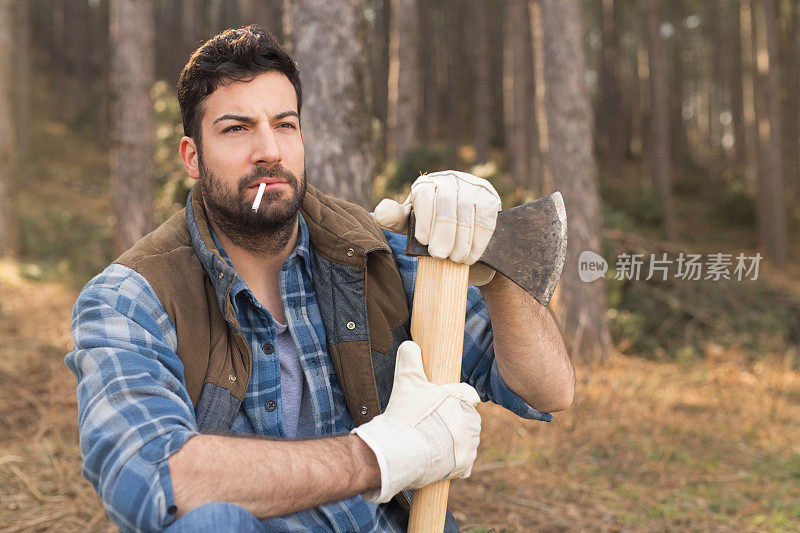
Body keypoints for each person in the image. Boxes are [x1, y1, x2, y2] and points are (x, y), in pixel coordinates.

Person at [66, 25, 574, 533]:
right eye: (237, 128)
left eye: (285, 124)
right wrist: (379, 455)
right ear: (192, 157)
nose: (269, 150)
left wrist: (493, 265)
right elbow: (151, 480)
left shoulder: (377, 259)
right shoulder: (130, 299)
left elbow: (547, 389)